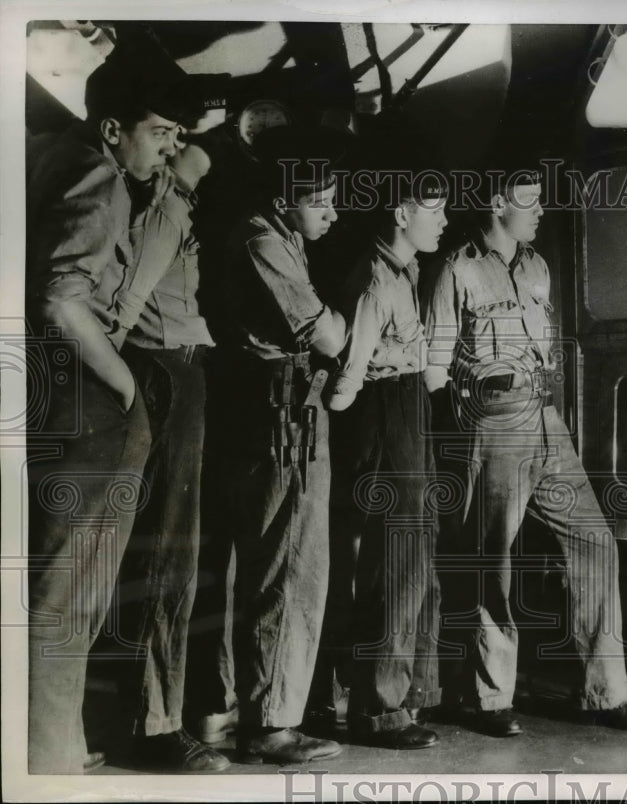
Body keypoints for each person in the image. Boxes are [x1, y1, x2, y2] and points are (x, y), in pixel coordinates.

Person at [422, 167, 627, 738]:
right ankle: (488, 698)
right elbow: (432, 370)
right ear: (498, 201)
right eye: (529, 199)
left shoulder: (536, 266)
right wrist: (466, 440)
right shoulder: (456, 269)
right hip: (493, 423)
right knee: (493, 559)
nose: (541, 210)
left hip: (546, 419)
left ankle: (607, 693)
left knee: (594, 542)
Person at [24, 47, 192, 774]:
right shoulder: (101, 176)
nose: (170, 146)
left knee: (53, 582)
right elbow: (63, 299)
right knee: (70, 589)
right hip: (86, 398)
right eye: (160, 132)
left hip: (46, 394)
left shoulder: (45, 154)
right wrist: (124, 384)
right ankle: (48, 758)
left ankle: (53, 744)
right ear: (114, 127)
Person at [220, 125, 350, 764]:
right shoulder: (262, 240)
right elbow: (325, 336)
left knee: (288, 563)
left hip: (288, 407)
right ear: (283, 200)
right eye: (321, 199)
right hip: (283, 413)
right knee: (289, 565)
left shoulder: (282, 239)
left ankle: (267, 714)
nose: (333, 210)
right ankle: (270, 724)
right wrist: (340, 320)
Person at [110, 128, 231, 772]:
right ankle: (154, 728)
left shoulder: (175, 202)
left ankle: (154, 716)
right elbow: (124, 310)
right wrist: (128, 385)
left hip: (175, 368)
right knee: (169, 552)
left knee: (172, 550)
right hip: (164, 371)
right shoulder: (167, 208)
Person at [326, 170, 448, 750]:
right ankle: (377, 710)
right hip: (381, 409)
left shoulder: (407, 268)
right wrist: (348, 407)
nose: (444, 221)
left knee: (412, 550)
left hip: (406, 406)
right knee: (394, 554)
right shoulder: (375, 275)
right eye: (435, 210)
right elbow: (350, 373)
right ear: (402, 214)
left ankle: (399, 697)